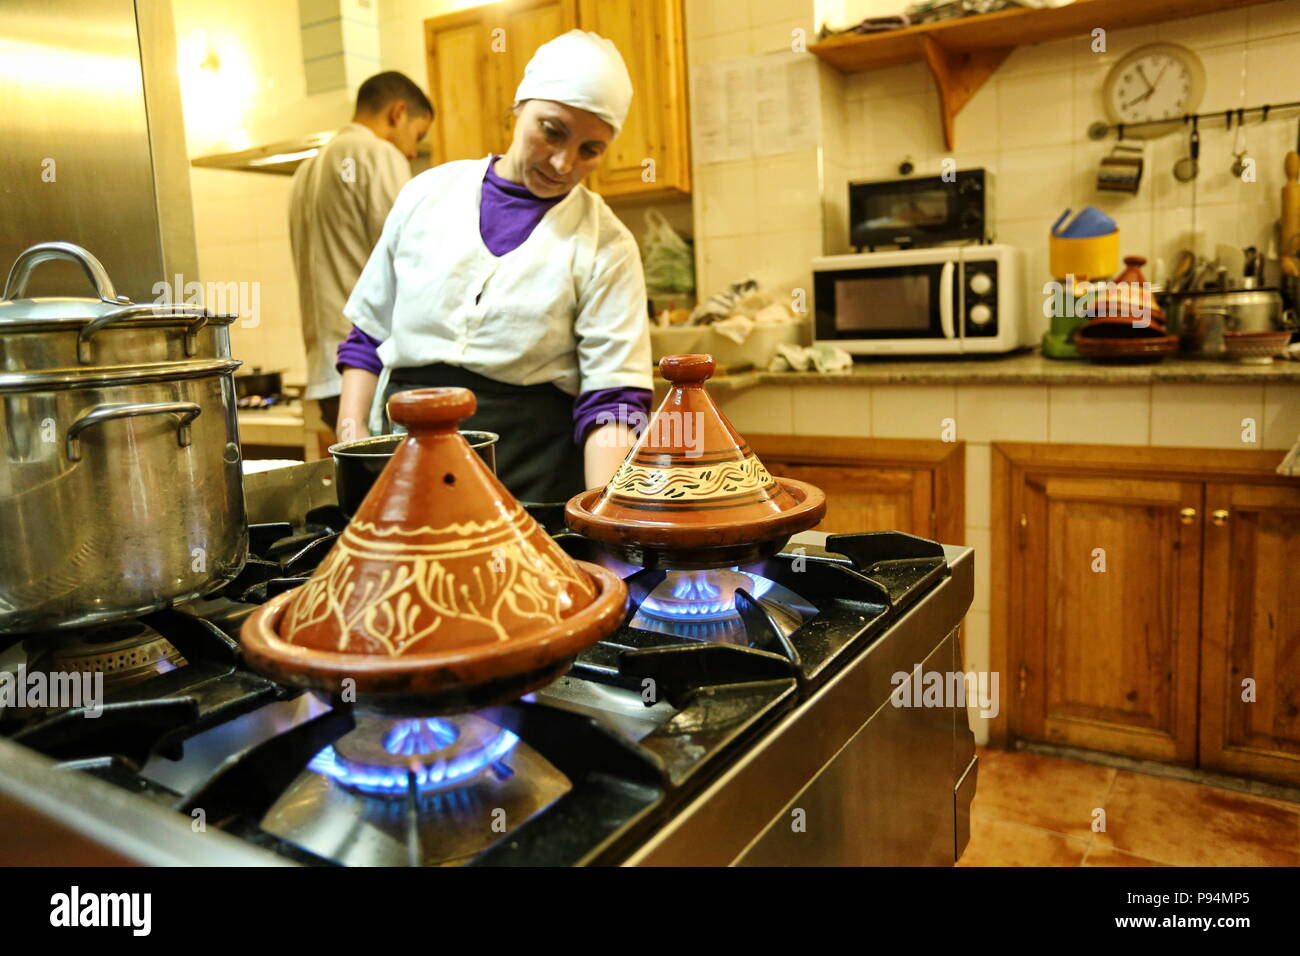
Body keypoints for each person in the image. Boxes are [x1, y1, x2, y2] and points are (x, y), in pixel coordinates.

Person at [335, 30, 653, 502]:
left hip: (533, 472)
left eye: (591, 149)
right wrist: (352, 440)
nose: (565, 163)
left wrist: (602, 520)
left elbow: (614, 402)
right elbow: (368, 338)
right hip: (406, 466)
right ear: (520, 105)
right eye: (552, 130)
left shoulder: (607, 243)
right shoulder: (426, 195)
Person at [289, 71, 434, 445]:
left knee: (361, 498)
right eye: (417, 135)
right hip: (368, 370)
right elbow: (412, 256)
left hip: (325, 374)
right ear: (397, 112)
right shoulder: (377, 154)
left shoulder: (305, 171)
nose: (413, 152)